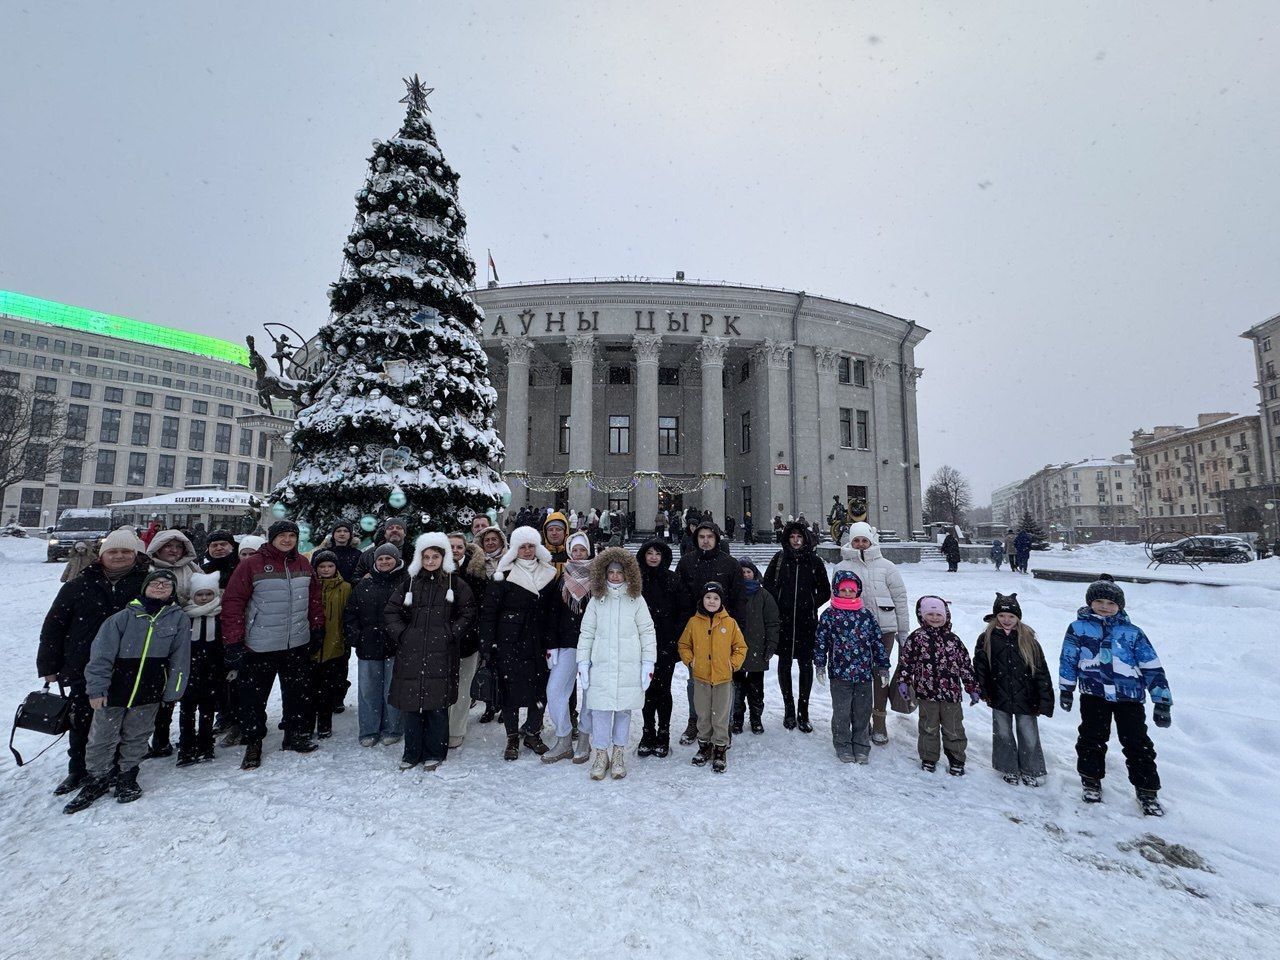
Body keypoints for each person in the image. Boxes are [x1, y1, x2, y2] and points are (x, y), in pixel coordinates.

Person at [62, 570, 191, 814]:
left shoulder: (178, 619)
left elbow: (180, 658)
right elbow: (100, 657)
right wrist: (96, 689)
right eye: (155, 583)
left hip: (150, 689)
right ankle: (97, 778)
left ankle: (127, 775)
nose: (160, 587)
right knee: (102, 736)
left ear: (173, 591)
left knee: (138, 735)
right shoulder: (121, 618)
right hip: (115, 689)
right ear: (145, 588)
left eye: (166, 584)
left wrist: (173, 690)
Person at [37, 527, 151, 797]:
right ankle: (78, 769)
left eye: (126, 551)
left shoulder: (146, 584)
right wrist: (49, 666)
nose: (120, 556)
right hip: (84, 664)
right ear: (102, 555)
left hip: (131, 664)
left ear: (135, 555)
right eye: (113, 551)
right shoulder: (79, 584)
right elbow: (54, 625)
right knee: (83, 720)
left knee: (125, 721)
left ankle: (119, 769)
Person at [1059, 576, 1171, 816]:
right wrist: (1066, 688)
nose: (1104, 606)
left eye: (1110, 602)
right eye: (1098, 601)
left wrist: (1161, 700)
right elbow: (1068, 659)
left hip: (1128, 697)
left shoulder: (1132, 633)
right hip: (1093, 694)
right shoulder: (1078, 628)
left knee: (1137, 742)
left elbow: (1151, 665)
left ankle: (1147, 789)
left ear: (1120, 605)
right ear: (1090, 603)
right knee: (1091, 738)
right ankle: (1091, 780)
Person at [222, 520, 325, 770]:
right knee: (254, 697)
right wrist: (234, 641)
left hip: (296, 642)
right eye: (283, 536)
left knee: (296, 693)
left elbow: (314, 599)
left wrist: (317, 627)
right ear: (271, 538)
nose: (288, 540)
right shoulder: (251, 565)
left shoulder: (303, 563)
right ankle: (253, 740)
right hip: (260, 644)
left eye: (292, 535)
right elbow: (233, 602)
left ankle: (293, 733)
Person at [384, 533, 476, 772]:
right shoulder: (410, 583)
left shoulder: (455, 584)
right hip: (411, 652)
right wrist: (403, 634)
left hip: (441, 652)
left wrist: (450, 632)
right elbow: (391, 611)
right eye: (426, 556)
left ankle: (436, 751)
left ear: (443, 557)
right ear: (420, 558)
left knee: (437, 705)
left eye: (436, 556)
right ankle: (412, 752)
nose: (431, 561)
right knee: (411, 703)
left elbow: (468, 612)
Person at [576, 548, 657, 781]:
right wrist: (583, 661)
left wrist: (647, 662)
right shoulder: (596, 600)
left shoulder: (636, 600)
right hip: (601, 666)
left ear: (627, 574)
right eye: (610, 572)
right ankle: (601, 754)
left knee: (622, 712)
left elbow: (647, 632)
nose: (614, 576)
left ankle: (618, 753)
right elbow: (587, 632)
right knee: (600, 712)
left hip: (627, 667)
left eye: (618, 572)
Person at [481, 526, 558, 760]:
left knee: (539, 691)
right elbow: (489, 613)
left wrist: (554, 642)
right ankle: (512, 737)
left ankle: (533, 733)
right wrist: (487, 645)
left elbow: (554, 611)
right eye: (522, 546)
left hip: (539, 642)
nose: (527, 551)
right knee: (510, 691)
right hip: (509, 642)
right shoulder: (502, 575)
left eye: (531, 546)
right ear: (515, 549)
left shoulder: (550, 574)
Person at [833, 522, 909, 745]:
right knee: (861, 677)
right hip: (855, 632)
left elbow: (900, 599)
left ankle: (880, 721)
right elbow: (836, 600)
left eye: (864, 540)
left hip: (884, 628)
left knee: (880, 674)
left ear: (871, 541)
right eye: (856, 540)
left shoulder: (887, 566)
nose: (860, 545)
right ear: (851, 541)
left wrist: (902, 632)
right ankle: (862, 721)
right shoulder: (841, 567)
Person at [674, 521, 745, 745]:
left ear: (716, 538)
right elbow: (680, 593)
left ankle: (725, 724)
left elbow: (738, 597)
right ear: (696, 539)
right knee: (696, 680)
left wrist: (734, 625)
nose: (705, 540)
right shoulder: (687, 563)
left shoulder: (729, 564)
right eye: (701, 536)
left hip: (723, 631)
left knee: (725, 682)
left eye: (710, 536)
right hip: (696, 631)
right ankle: (696, 721)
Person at [973, 593, 1053, 787]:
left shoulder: (1028, 639)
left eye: (1011, 616)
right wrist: (982, 689)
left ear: (1018, 617)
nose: (1006, 620)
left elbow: (1041, 670)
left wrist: (1045, 697)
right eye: (1001, 616)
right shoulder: (987, 638)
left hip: (1026, 696)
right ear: (995, 617)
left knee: (1028, 733)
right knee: (1003, 733)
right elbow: (980, 666)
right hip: (999, 694)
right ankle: (1008, 767)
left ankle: (1031, 769)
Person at [813, 570, 890, 763]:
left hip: (863, 674)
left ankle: (862, 745)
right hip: (840, 674)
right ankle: (843, 744)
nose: (847, 593)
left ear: (858, 591)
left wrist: (882, 666)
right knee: (842, 712)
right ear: (837, 591)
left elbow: (877, 642)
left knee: (862, 712)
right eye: (844, 589)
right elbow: (821, 641)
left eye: (851, 590)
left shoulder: (866, 616)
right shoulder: (830, 615)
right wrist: (820, 664)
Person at [898, 596, 980, 775]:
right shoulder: (917, 638)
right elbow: (907, 662)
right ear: (922, 616)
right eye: (930, 614)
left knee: (954, 728)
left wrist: (972, 687)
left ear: (946, 615)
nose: (935, 618)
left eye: (938, 614)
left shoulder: (953, 640)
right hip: (926, 693)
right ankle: (929, 757)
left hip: (951, 694)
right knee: (928, 727)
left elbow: (965, 665)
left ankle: (956, 759)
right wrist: (903, 681)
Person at [762, 520, 831, 733]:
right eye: (792, 537)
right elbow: (768, 583)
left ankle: (803, 710)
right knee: (784, 663)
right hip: (784, 621)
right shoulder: (780, 559)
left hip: (806, 622)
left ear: (805, 539)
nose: (795, 541)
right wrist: (780, 601)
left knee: (805, 664)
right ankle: (788, 708)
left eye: (799, 537)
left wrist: (810, 604)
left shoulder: (814, 561)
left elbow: (825, 590)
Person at [143, 528, 203, 758]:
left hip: (187, 633)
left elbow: (205, 593)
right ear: (158, 547)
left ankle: (162, 736)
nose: (173, 551)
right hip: (154, 636)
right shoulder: (148, 569)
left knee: (175, 686)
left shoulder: (191, 568)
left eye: (178, 547)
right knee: (152, 689)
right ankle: (145, 737)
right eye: (168, 546)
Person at [678, 582, 746, 773]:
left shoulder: (729, 623)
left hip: (723, 679)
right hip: (700, 678)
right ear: (702, 599)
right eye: (708, 597)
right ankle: (704, 746)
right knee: (703, 714)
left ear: (721, 601)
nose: (712, 601)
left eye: (716, 598)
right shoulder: (694, 622)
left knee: (721, 715)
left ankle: (720, 749)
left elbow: (740, 648)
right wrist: (690, 660)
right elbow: (684, 644)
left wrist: (733, 664)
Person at [344, 543, 406, 747]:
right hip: (368, 647)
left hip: (396, 647)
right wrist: (357, 636)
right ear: (375, 562)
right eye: (380, 559)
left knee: (393, 689)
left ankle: (393, 728)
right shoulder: (364, 585)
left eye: (389, 558)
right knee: (368, 691)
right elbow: (350, 614)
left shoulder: (406, 583)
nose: (384, 562)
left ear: (396, 560)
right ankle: (369, 730)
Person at [634, 539, 691, 757]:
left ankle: (663, 733)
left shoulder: (673, 579)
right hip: (642, 645)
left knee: (663, 690)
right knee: (647, 690)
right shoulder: (636, 580)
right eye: (650, 553)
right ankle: (647, 731)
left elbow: (684, 611)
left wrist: (673, 639)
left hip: (666, 644)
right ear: (644, 556)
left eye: (658, 553)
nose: (654, 557)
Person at [548, 533, 593, 764]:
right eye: (574, 550)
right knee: (555, 691)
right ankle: (564, 737)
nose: (578, 554)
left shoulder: (599, 578)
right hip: (567, 644)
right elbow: (553, 615)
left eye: (582, 550)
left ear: (588, 551)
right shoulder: (561, 579)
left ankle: (584, 738)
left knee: (591, 695)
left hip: (593, 646)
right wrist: (553, 645)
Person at [176, 572, 224, 766]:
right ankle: (186, 745)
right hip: (189, 671)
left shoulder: (219, 615)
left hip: (212, 671)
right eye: (200, 595)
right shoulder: (186, 616)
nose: (204, 598)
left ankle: (206, 742)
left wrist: (227, 666)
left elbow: (224, 644)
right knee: (187, 711)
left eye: (208, 594)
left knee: (207, 709)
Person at [447, 532, 488, 749]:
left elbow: (479, 607)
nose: (455, 550)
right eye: (450, 546)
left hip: (468, 639)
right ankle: (440, 726)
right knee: (443, 686)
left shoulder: (475, 572)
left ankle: (456, 730)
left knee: (463, 687)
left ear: (465, 549)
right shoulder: (435, 570)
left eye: (459, 547)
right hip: (441, 640)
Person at [308, 550, 353, 739]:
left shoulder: (345, 588)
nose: (326, 570)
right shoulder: (309, 586)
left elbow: (348, 615)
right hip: (311, 645)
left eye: (330, 566)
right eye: (322, 566)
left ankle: (325, 724)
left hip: (335, 645)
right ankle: (307, 725)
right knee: (309, 689)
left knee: (327, 688)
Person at [733, 559, 779, 735]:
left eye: (748, 572)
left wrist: (771, 645)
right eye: (742, 572)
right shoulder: (733, 594)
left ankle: (756, 718)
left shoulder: (764, 595)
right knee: (737, 689)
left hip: (757, 649)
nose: (745, 575)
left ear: (754, 573)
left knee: (756, 689)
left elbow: (772, 623)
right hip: (736, 650)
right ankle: (737, 718)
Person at [474, 526, 508, 723]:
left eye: (494, 539)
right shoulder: (477, 564)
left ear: (501, 541)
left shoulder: (509, 562)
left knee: (504, 667)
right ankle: (490, 704)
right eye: (487, 540)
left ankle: (505, 705)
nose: (490, 543)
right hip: (484, 619)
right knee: (488, 664)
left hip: (504, 621)